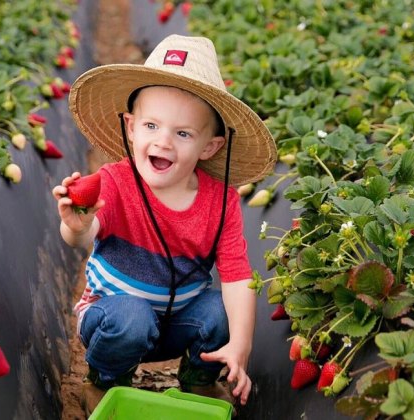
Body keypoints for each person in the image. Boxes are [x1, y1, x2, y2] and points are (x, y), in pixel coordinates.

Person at [52, 34, 276, 416]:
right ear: (131, 127)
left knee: (220, 311)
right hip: (117, 319)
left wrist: (241, 345)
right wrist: (76, 225)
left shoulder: (220, 201)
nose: (164, 141)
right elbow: (84, 235)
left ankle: (199, 378)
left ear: (210, 147)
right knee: (131, 319)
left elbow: (238, 275)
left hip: (179, 322)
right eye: (152, 126)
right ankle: (106, 380)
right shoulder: (116, 182)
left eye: (183, 133)